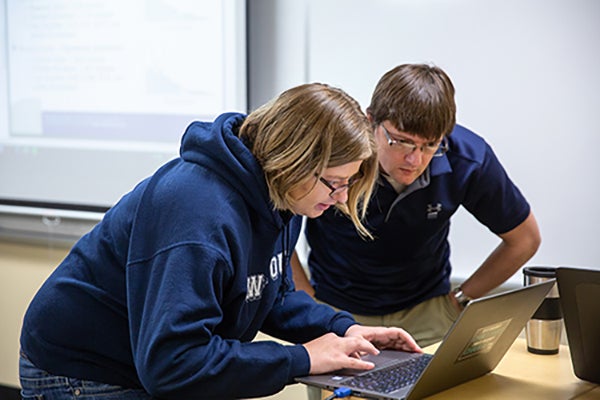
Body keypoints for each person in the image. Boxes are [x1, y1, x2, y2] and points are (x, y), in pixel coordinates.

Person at [19, 83, 422, 400]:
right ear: (294, 160)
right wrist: (301, 358)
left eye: (348, 184)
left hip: (149, 363)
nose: (339, 198)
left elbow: (270, 293)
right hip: (83, 369)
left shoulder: (283, 197)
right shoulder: (197, 211)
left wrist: (344, 330)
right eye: (334, 183)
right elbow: (172, 363)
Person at [292, 64, 541, 348]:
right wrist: (306, 300)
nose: (415, 160)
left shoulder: (467, 158)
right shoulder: (336, 151)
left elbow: (525, 239)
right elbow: (276, 218)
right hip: (337, 309)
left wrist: (460, 299)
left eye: (429, 145)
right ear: (370, 120)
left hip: (427, 311)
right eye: (401, 142)